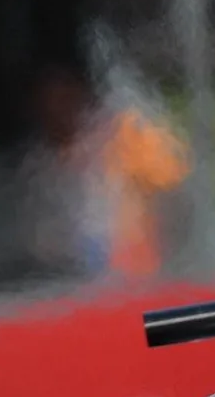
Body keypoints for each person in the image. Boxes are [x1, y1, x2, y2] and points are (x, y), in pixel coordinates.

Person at [27, 65, 187, 282]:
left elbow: (174, 186)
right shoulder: (44, 162)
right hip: (75, 277)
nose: (55, 110)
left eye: (63, 99)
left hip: (132, 270)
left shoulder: (127, 135)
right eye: (47, 106)